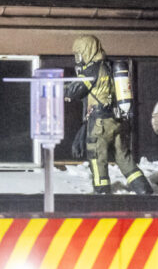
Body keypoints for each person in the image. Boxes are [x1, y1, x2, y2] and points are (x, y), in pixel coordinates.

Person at [63, 35, 152, 195]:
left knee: (97, 159)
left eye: (79, 53)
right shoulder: (110, 67)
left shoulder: (93, 69)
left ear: (87, 50)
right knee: (124, 157)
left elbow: (76, 89)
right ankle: (144, 189)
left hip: (100, 123)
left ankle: (102, 194)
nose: (78, 58)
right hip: (117, 120)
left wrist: (63, 89)